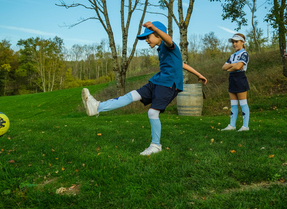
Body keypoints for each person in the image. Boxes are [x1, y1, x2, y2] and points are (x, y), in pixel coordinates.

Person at [81, 21, 207, 156]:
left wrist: (153, 27)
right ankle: (96, 107)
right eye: (146, 38)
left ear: (158, 34)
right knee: (130, 96)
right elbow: (181, 63)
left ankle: (156, 145)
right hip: (158, 80)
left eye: (149, 36)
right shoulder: (161, 49)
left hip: (169, 84)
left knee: (153, 113)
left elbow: (169, 39)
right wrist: (199, 74)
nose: (146, 40)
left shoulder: (169, 45)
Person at [221, 33, 250, 132]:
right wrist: (233, 66)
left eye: (236, 42)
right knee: (233, 104)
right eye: (233, 42)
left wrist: (231, 67)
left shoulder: (244, 54)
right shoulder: (232, 55)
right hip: (232, 79)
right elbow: (223, 67)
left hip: (240, 79)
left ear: (242, 42)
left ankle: (245, 126)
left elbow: (238, 67)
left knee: (243, 103)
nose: (234, 44)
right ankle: (232, 125)